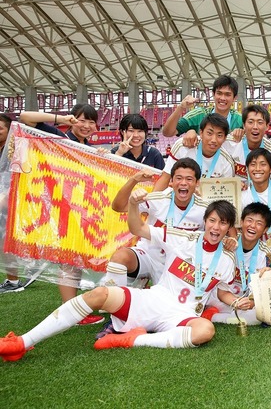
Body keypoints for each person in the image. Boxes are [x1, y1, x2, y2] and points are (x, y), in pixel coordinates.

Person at [0, 200, 237, 361]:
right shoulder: (181, 237)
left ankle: (133, 339)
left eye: (223, 223)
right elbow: (137, 227)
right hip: (155, 299)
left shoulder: (227, 260)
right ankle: (22, 342)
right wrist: (134, 204)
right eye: (213, 220)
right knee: (99, 295)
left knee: (205, 330)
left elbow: (221, 292)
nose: (216, 227)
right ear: (205, 220)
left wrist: (235, 302)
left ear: (228, 228)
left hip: (181, 314)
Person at [18, 104, 105, 324]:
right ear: (73, 120)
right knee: (69, 261)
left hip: (84, 211)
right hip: (64, 210)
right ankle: (72, 312)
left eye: (91, 122)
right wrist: (61, 118)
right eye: (82, 120)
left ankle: (75, 310)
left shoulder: (89, 146)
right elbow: (25, 117)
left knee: (77, 260)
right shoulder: (60, 138)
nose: (86, 126)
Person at [102, 158, 209, 288]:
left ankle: (142, 289)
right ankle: (112, 300)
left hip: (180, 262)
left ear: (197, 183)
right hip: (149, 255)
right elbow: (118, 206)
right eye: (179, 178)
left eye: (189, 179)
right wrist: (134, 180)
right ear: (171, 181)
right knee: (120, 257)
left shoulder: (205, 209)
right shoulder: (158, 199)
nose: (183, 183)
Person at [204, 202, 271, 325]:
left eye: (259, 223)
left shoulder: (266, 254)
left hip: (244, 302)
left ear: (265, 230)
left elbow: (262, 290)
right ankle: (217, 313)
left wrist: (251, 302)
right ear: (241, 222)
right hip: (220, 297)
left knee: (263, 312)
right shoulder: (228, 243)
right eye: (249, 220)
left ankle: (214, 316)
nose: (252, 226)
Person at [155, 114, 235, 191]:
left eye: (219, 135)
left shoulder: (227, 162)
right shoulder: (183, 146)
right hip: (180, 198)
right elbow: (165, 178)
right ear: (201, 133)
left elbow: (225, 193)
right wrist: (151, 201)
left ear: (225, 138)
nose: (213, 140)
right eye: (209, 133)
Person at [162, 75, 243, 139]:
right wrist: (181, 107)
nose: (222, 98)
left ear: (234, 98)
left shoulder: (239, 120)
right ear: (213, 94)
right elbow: (167, 132)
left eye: (228, 94)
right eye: (219, 93)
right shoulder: (199, 115)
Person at [221, 104, 271, 182]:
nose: (255, 127)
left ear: (267, 126)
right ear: (244, 125)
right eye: (250, 122)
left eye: (260, 122)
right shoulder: (229, 142)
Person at [0, 114, 25, 294]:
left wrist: (6, 197)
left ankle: (13, 280)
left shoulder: (16, 149)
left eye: (0, 128)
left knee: (5, 242)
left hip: (12, 202)